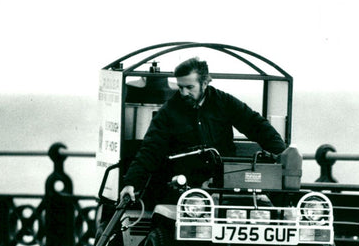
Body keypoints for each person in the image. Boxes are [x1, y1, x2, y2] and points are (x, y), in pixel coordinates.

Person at [120, 57, 287, 202]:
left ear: (205, 83)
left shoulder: (224, 102)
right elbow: (150, 149)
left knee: (264, 205)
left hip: (224, 184)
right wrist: (131, 183)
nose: (184, 93)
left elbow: (257, 125)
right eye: (180, 87)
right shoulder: (169, 111)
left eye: (189, 87)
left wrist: (284, 156)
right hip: (182, 187)